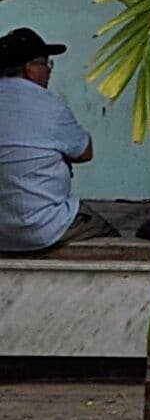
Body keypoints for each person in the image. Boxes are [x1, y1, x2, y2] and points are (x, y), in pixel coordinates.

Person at [0, 27, 97, 254]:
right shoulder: (49, 106)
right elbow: (85, 152)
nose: (49, 71)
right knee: (109, 233)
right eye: (46, 64)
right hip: (40, 228)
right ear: (29, 68)